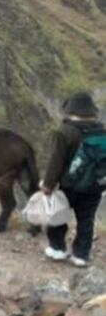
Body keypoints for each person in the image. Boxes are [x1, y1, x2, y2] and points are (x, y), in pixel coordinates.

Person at [42, 91, 105, 267]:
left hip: (68, 185)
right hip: (94, 186)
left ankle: (57, 249)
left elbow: (56, 160)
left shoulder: (65, 131)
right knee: (86, 220)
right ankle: (81, 255)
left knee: (58, 215)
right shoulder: (101, 129)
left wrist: (48, 184)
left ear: (70, 109)